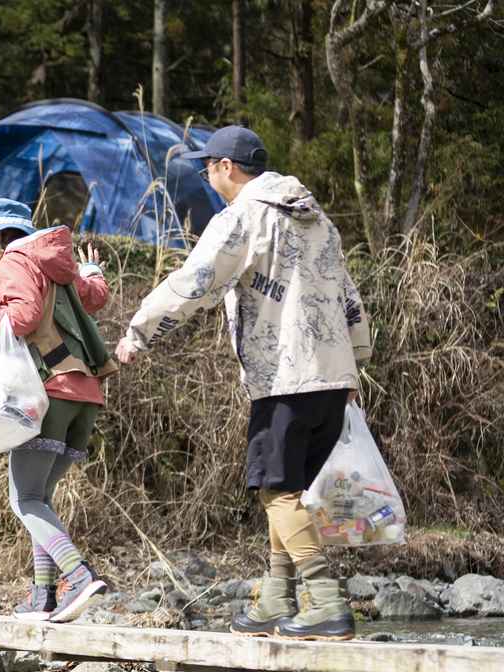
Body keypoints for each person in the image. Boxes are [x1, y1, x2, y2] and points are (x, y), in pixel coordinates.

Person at [114, 126, 373, 641]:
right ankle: (277, 599)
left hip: (285, 376)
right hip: (332, 376)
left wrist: (138, 332)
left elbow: (196, 281)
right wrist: (355, 361)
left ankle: (324, 602)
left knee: (276, 489)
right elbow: (348, 295)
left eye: (208, 168)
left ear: (226, 167)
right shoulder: (317, 219)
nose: (208, 178)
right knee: (290, 490)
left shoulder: (244, 216)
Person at [0, 198, 117, 622]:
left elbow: (22, 317)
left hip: (48, 392)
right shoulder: (57, 260)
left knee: (24, 500)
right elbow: (94, 298)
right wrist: (92, 272)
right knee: (40, 497)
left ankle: (76, 575)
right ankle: (43, 597)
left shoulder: (14, 260)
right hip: (84, 395)